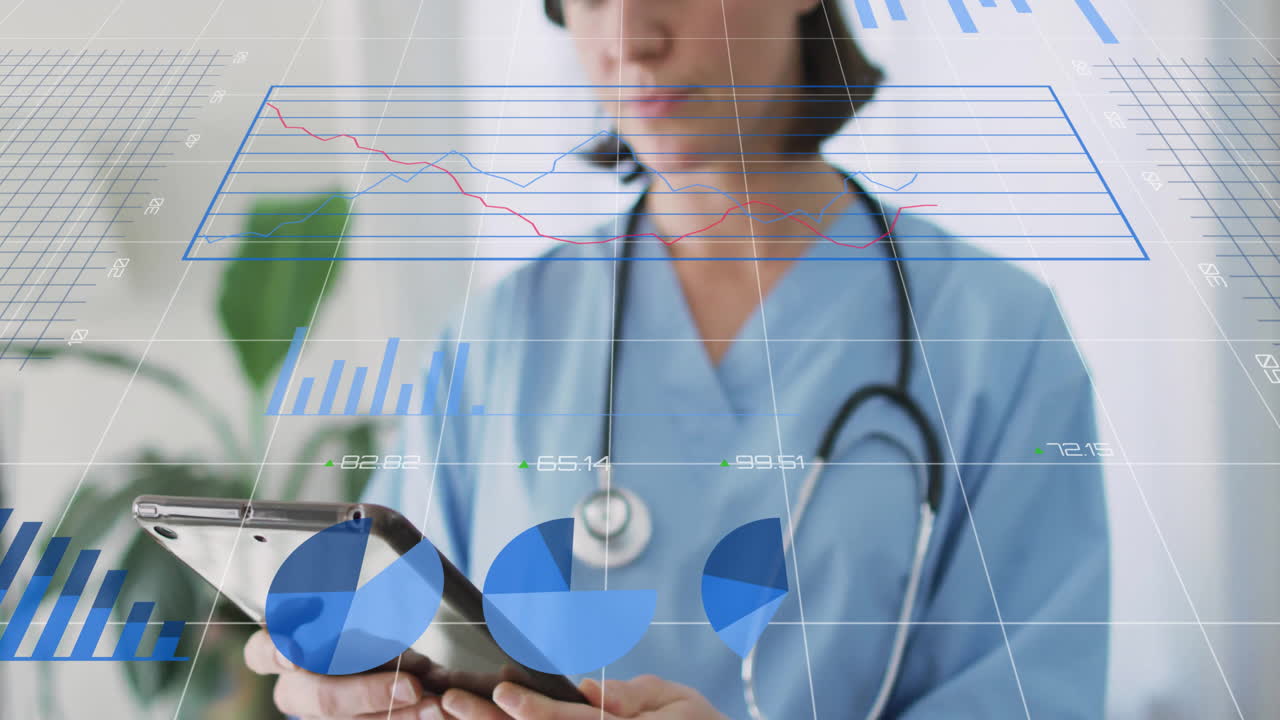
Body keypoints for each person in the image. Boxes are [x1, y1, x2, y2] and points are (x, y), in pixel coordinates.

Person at [244, 0, 1110, 717]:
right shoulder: (500, 336)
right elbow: (403, 633)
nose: (629, 35)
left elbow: (1033, 695)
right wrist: (346, 693)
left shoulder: (998, 334)